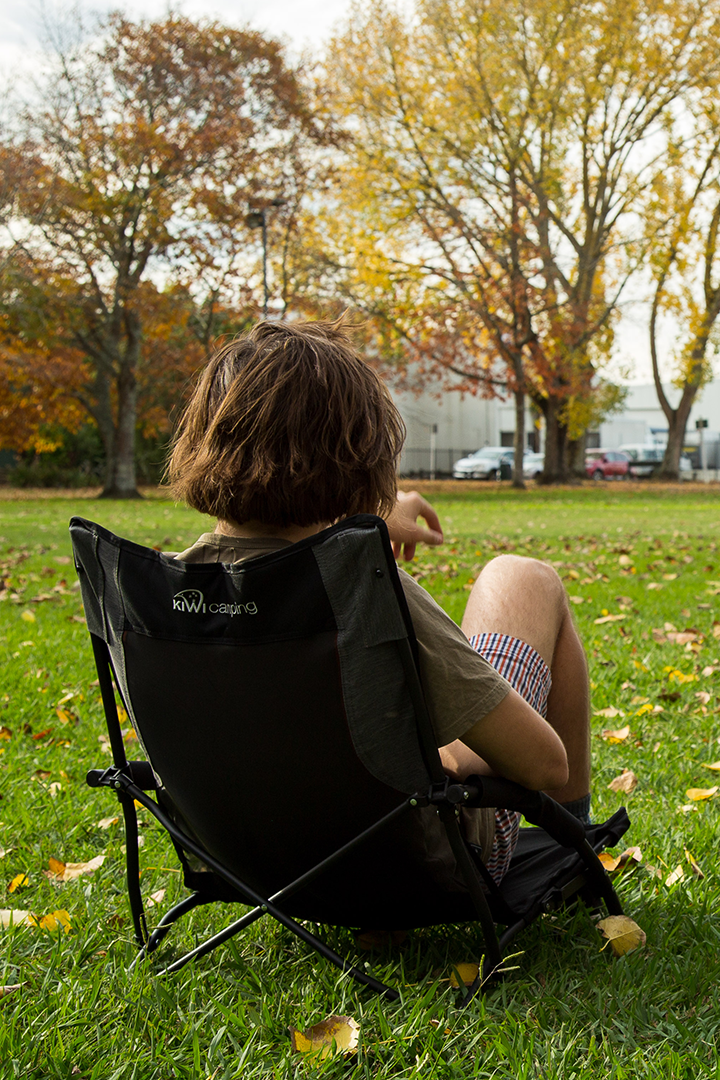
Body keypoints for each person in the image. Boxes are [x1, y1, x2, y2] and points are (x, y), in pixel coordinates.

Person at [166, 317, 592, 882]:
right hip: (415, 861)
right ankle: (576, 844)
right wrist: (452, 756)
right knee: (518, 578)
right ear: (364, 450)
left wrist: (362, 521)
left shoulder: (160, 595)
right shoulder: (368, 595)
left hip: (250, 858)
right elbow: (544, 764)